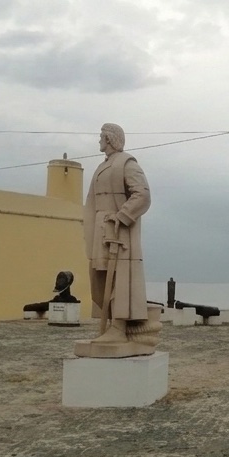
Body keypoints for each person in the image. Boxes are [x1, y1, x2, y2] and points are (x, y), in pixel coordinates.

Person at [81, 123, 158, 354]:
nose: (98, 141)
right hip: (100, 228)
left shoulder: (127, 163)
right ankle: (109, 322)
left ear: (110, 139)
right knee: (101, 277)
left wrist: (122, 216)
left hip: (118, 231)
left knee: (120, 278)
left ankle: (118, 324)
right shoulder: (103, 166)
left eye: (101, 137)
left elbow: (142, 194)